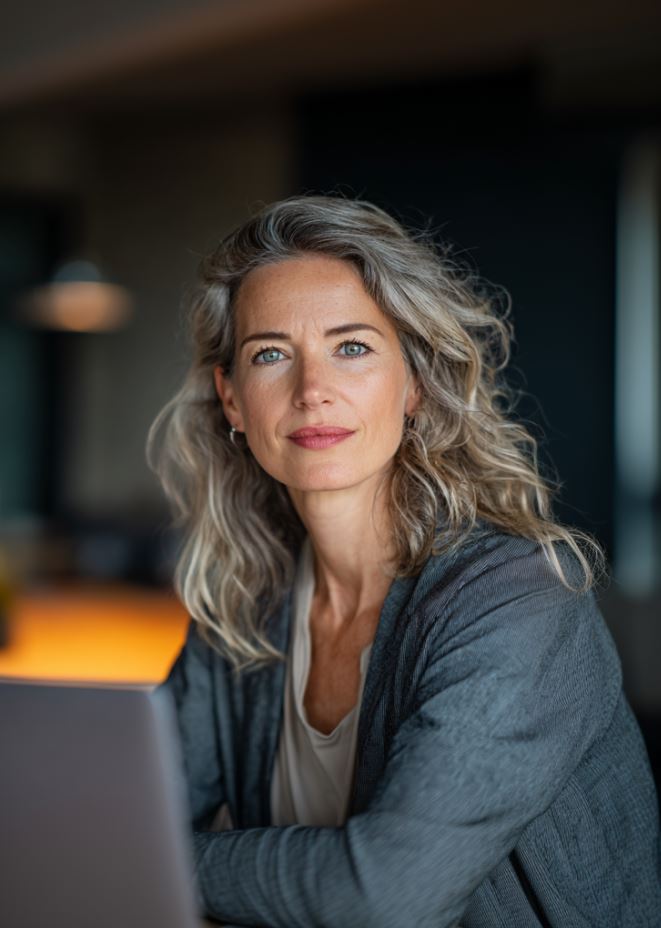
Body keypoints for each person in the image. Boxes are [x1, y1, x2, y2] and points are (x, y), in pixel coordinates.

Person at [150, 195, 661, 927]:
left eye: (351, 346)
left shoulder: (520, 601)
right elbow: (129, 810)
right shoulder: (244, 607)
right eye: (270, 354)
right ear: (232, 399)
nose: (311, 390)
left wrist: (163, 858)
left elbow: (387, 893)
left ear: (414, 382)